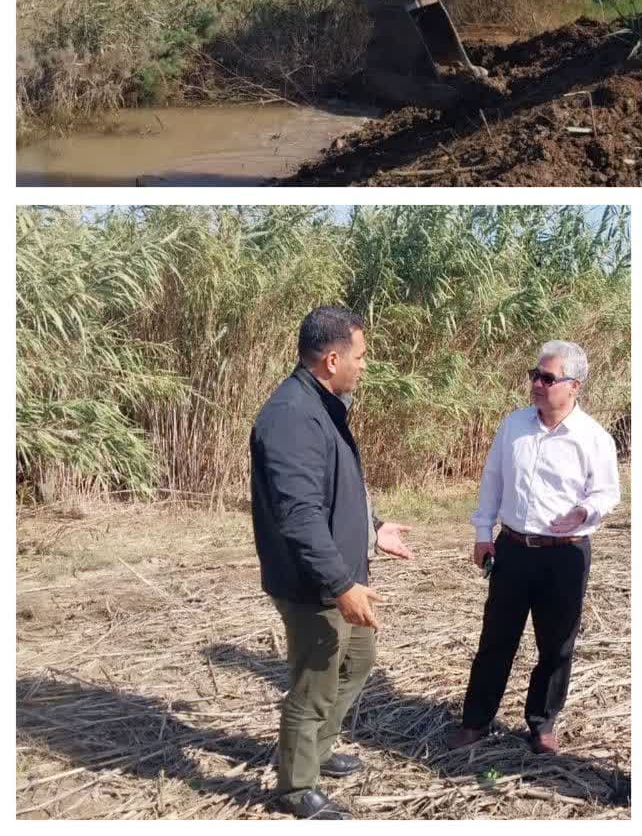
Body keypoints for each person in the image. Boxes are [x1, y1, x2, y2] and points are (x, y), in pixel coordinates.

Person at [250, 306, 415, 820]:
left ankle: (317, 750)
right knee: (315, 680)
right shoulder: (291, 417)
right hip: (314, 583)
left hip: (342, 575)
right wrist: (341, 582)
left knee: (358, 659)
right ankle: (296, 787)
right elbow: (298, 515)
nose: (364, 366)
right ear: (331, 358)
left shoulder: (324, 404)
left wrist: (373, 527)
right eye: (360, 357)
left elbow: (334, 492)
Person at [447, 340, 621, 756]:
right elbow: (493, 481)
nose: (537, 384)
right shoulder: (514, 426)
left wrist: (584, 511)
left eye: (548, 378)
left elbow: (607, 493)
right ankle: (475, 722)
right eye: (534, 376)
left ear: (573, 386)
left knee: (557, 645)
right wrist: (482, 534)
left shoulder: (593, 437)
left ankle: (542, 724)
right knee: (495, 639)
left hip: (565, 554)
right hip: (513, 549)